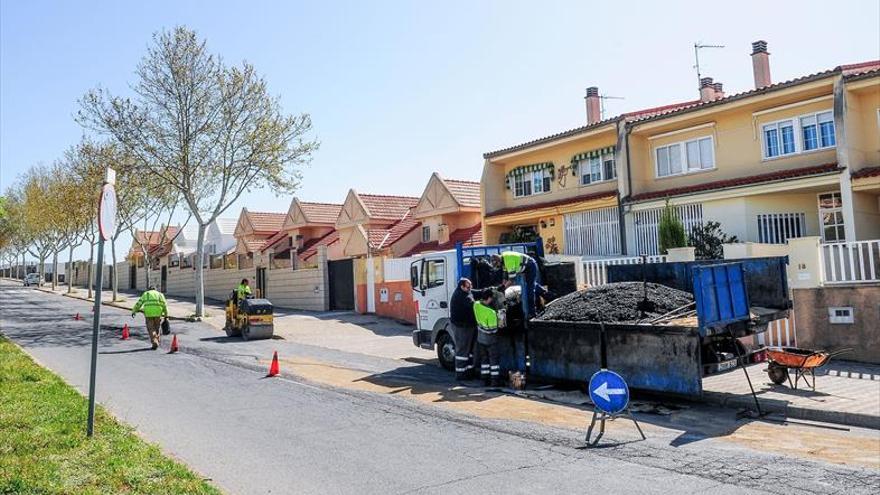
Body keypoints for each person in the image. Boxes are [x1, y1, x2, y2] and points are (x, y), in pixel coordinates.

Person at [493, 251, 547, 318]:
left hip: (530, 266)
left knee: (529, 290)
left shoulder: (509, 261)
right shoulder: (503, 259)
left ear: (498, 261)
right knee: (531, 284)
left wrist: (503, 287)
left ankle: (532, 313)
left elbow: (512, 280)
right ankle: (546, 294)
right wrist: (502, 286)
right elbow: (505, 276)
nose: (498, 267)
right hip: (526, 266)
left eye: (497, 265)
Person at [449, 277, 477, 380]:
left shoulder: (465, 292)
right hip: (462, 326)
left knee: (468, 350)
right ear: (462, 287)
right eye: (468, 287)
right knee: (462, 349)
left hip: (467, 325)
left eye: (471, 286)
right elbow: (472, 305)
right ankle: (461, 374)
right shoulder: (460, 296)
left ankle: (469, 371)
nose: (470, 289)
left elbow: (476, 292)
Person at [473, 290, 503, 387]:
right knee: (494, 361)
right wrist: (500, 322)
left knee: (484, 359)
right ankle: (495, 381)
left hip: (480, 338)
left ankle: (484, 379)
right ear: (489, 298)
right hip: (490, 340)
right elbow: (493, 330)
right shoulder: (491, 313)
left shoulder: (476, 305)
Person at [131, 285, 168, 350]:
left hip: (148, 314)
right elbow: (165, 305)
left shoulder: (146, 294)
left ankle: (154, 342)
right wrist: (166, 315)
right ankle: (157, 341)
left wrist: (134, 311)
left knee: (151, 328)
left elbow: (139, 303)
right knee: (157, 328)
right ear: (155, 289)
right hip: (158, 313)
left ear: (149, 289)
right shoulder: (160, 294)